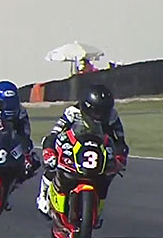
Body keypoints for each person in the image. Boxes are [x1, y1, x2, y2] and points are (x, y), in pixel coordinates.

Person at [35, 84, 129, 228]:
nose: (101, 115)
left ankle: (98, 209)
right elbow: (54, 134)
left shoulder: (112, 116)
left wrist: (120, 158)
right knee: (52, 165)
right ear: (87, 107)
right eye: (97, 111)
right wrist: (49, 151)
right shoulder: (72, 112)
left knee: (108, 176)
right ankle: (43, 194)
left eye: (104, 111)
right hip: (73, 145)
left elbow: (120, 140)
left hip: (99, 149)